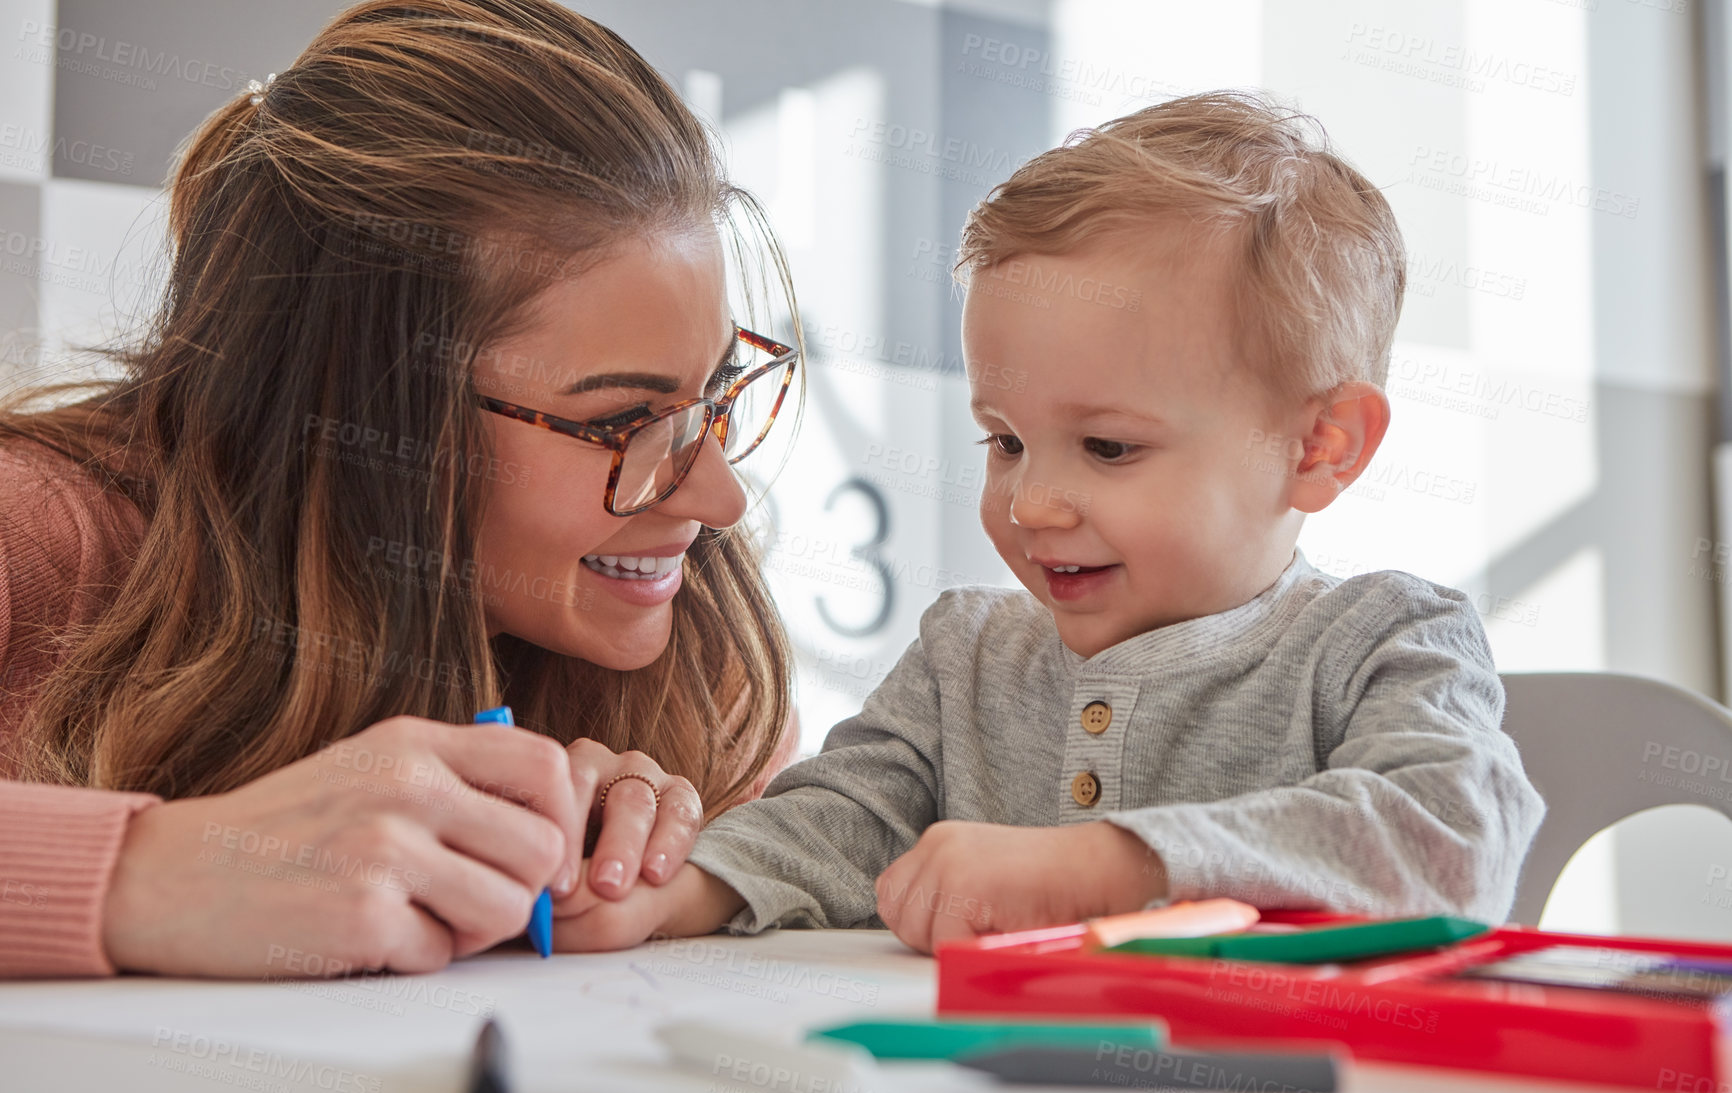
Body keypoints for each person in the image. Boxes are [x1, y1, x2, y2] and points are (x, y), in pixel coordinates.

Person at [553, 92, 1547, 955]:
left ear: (1320, 444)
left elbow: (1447, 831)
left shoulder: (1386, 640)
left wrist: (1103, 866)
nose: (1031, 504)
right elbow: (841, 818)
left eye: (1108, 448)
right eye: (1006, 441)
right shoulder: (965, 654)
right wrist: (674, 890)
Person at [0, 0, 798, 979]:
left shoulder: (699, 654)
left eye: (714, 392)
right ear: (372, 404)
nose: (720, 499)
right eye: (623, 419)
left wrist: (668, 866)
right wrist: (153, 873)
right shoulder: (35, 532)